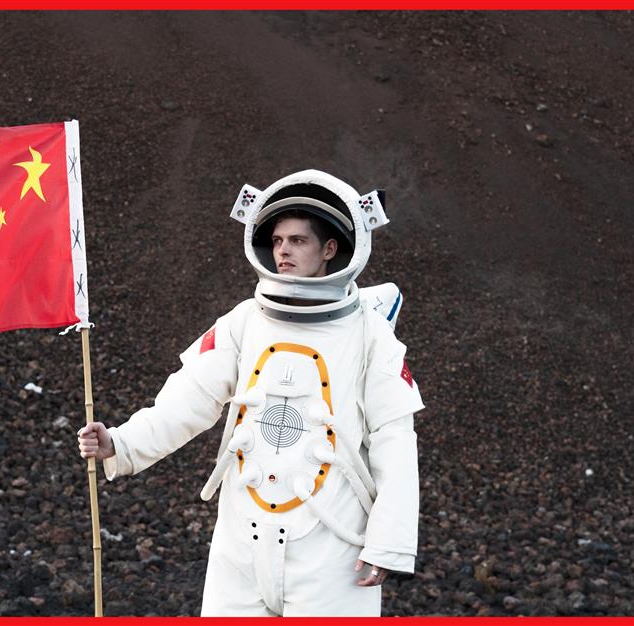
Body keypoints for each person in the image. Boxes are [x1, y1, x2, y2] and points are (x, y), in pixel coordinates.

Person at [77, 170, 424, 616]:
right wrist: (121, 442)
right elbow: (189, 397)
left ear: (330, 249)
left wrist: (387, 544)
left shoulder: (369, 332)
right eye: (278, 240)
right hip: (240, 543)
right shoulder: (245, 320)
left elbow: (395, 439)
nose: (283, 250)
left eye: (298, 240)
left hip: (332, 549)